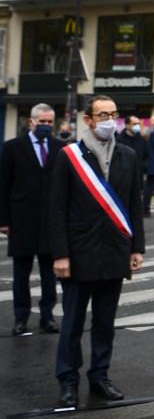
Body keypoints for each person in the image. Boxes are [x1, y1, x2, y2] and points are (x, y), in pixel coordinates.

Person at [48, 96, 144, 408]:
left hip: (114, 252)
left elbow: (133, 205)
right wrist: (60, 254)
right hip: (78, 254)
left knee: (105, 322)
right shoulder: (69, 156)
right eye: (103, 114)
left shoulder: (128, 155)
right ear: (87, 119)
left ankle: (100, 375)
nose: (109, 120)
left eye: (114, 114)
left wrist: (137, 248)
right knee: (73, 322)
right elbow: (56, 209)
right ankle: (68, 379)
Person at [1, 103, 66, 336]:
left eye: (50, 122)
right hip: (22, 220)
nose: (46, 126)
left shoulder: (61, 148)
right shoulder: (12, 147)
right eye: (42, 122)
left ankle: (47, 316)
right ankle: (21, 317)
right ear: (31, 122)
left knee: (50, 273)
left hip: (51, 221)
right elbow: (3, 185)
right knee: (21, 273)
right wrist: (4, 220)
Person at [116, 117, 151, 215]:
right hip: (122, 175)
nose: (137, 126)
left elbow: (147, 155)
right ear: (127, 125)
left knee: (136, 200)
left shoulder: (141, 139)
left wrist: (144, 168)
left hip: (138, 174)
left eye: (138, 124)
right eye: (134, 124)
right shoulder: (119, 140)